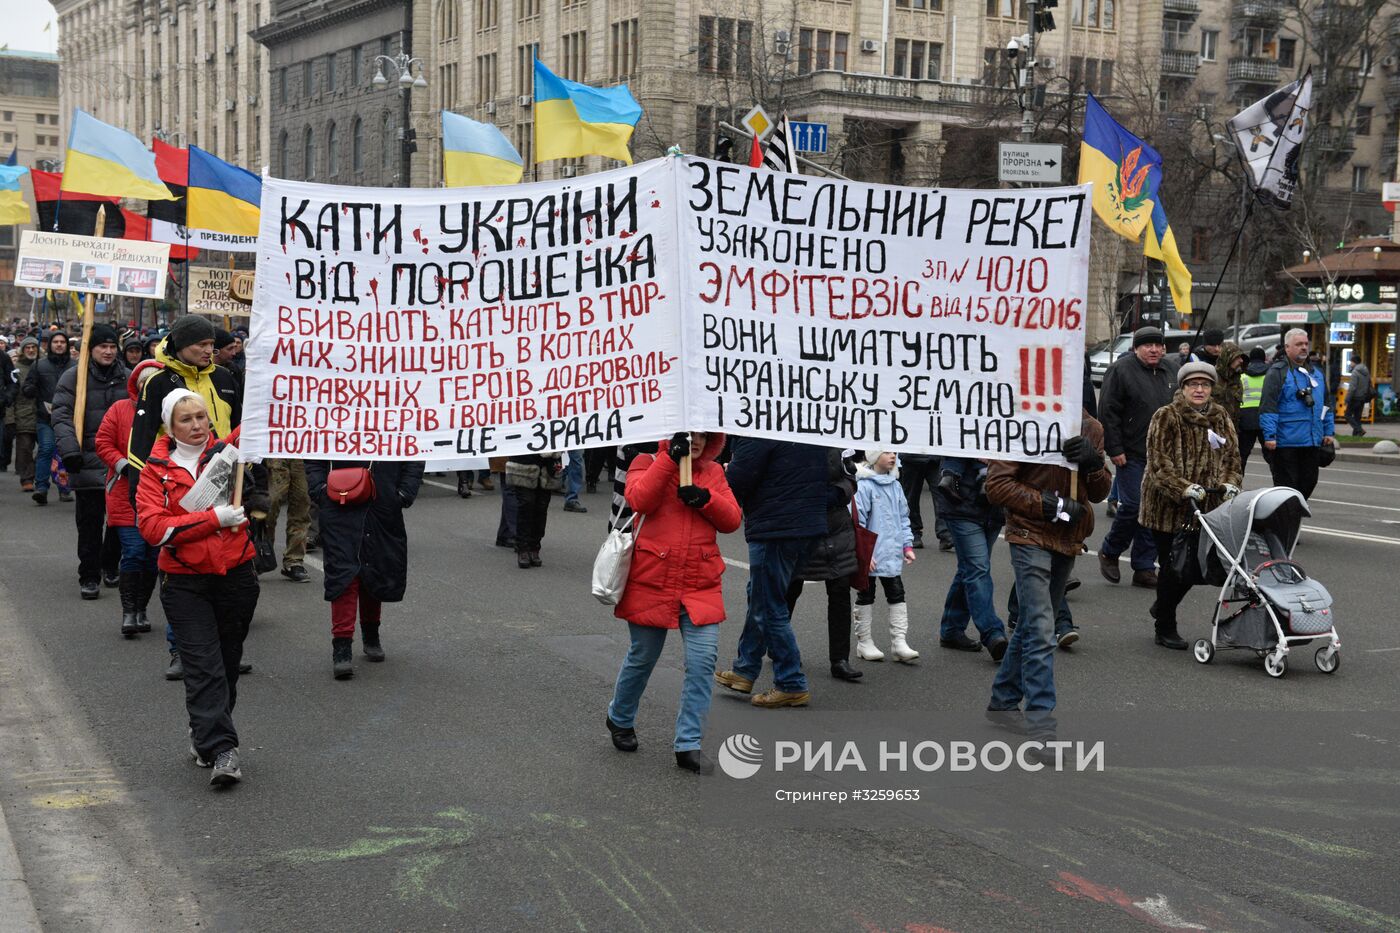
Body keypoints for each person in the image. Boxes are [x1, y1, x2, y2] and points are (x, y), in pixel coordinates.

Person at [136, 390, 258, 787]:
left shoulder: (228, 451)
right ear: (170, 426)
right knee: (203, 666)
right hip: (184, 582)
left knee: (225, 664)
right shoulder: (155, 469)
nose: (196, 425)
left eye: (201, 417)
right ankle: (224, 749)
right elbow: (155, 530)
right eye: (186, 419)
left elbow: (266, 420)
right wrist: (213, 519)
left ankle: (205, 732)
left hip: (236, 575)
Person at [605, 431, 741, 775]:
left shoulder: (713, 472)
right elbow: (639, 499)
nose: (696, 440)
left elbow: (732, 520)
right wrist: (668, 459)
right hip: (653, 580)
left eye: (702, 436)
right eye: (688, 434)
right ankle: (619, 718)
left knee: (701, 662)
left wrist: (705, 498)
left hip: (700, 584)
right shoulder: (645, 461)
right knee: (643, 656)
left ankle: (688, 744)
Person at [985, 421, 1111, 739]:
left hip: (1068, 538)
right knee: (1042, 631)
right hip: (1029, 534)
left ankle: (1002, 701)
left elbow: (1100, 492)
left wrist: (1094, 464)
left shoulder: (1090, 427)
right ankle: (1042, 728)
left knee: (1032, 625)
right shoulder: (1025, 419)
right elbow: (997, 485)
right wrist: (1048, 504)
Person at [715, 439, 827, 708]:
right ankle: (745, 668)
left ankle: (791, 682)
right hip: (806, 522)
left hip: (776, 525)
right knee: (761, 594)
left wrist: (723, 473)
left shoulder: (757, 427)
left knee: (768, 604)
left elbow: (739, 480)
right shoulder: (803, 420)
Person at [1140, 362, 1243, 649]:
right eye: (1193, 384)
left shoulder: (1220, 416)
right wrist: (1182, 488)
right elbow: (1159, 462)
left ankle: (1163, 604)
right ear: (1182, 388)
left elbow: (1232, 456)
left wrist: (1230, 482)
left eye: (1205, 385)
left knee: (1195, 569)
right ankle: (1165, 626)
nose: (1199, 390)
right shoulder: (1166, 416)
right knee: (1173, 567)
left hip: (1206, 508)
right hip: (1168, 508)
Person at [305, 458, 425, 679]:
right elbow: (313, 452)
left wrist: (404, 493)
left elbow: (413, 452)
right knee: (343, 574)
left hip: (383, 502)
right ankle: (341, 646)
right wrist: (319, 489)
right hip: (338, 502)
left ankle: (371, 634)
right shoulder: (329, 422)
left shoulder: (396, 423)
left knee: (375, 567)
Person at [1097, 326, 1178, 589]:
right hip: (1131, 453)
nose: (1154, 349)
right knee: (1133, 507)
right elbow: (1108, 410)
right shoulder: (1121, 370)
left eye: (1158, 345)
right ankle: (1110, 550)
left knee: (1153, 512)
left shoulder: (1170, 370)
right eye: (1148, 345)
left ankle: (1143, 566)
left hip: (1163, 457)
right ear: (1136, 348)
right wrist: (1115, 448)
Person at [52, 324, 128, 600]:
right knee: (90, 524)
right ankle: (89, 575)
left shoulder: (127, 378)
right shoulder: (74, 378)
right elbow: (60, 416)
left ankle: (110, 564)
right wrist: (70, 451)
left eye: (111, 347)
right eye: (102, 347)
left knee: (120, 523)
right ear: (90, 349)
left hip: (119, 464)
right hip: (85, 461)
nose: (108, 352)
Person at [96, 360, 167, 640]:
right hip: (125, 493)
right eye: (143, 382)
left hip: (159, 495)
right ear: (136, 384)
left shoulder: (170, 413)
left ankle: (141, 608)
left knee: (152, 557)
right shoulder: (119, 409)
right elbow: (103, 443)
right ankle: (128, 611)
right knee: (134, 551)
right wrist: (123, 464)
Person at [127, 315, 242, 478]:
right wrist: (137, 490)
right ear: (181, 345)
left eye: (211, 344)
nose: (209, 350)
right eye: (202, 344)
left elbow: (239, 428)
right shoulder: (157, 382)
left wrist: (247, 474)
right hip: (176, 481)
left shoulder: (224, 376)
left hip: (225, 477)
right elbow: (141, 440)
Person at [783, 449, 863, 681]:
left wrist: (836, 494)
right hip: (800, 525)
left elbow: (850, 478)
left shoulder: (837, 439)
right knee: (790, 588)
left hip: (836, 527)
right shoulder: (791, 439)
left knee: (840, 591)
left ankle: (840, 660)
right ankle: (780, 645)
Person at [933, 456, 1009, 660]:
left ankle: (951, 630)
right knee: (978, 569)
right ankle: (992, 632)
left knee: (969, 568)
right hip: (962, 507)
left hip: (994, 508)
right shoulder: (961, 428)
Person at [853, 449, 919, 662]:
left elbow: (903, 518)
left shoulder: (896, 486)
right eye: (887, 452)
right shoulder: (863, 486)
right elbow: (858, 522)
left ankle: (899, 642)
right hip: (871, 555)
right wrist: (864, 553)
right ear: (873, 456)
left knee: (897, 592)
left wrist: (906, 545)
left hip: (891, 553)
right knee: (866, 594)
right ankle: (864, 642)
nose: (893, 456)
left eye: (894, 453)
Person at [1260, 328, 1335, 501]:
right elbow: (1268, 406)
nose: (1304, 347)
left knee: (1309, 482)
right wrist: (1269, 435)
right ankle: (1281, 523)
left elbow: (1326, 405)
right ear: (1287, 347)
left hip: (1311, 441)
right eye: (1298, 344)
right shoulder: (1277, 372)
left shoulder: (1317, 373)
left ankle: (1289, 518)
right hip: (1286, 442)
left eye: (1306, 344)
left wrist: (1328, 431)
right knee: (1286, 489)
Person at [22, 330, 72, 505]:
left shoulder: (75, 366)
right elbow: (26, 388)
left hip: (68, 418)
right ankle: (41, 487)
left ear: (67, 345)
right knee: (46, 449)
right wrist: (30, 388)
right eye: (55, 342)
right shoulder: (39, 365)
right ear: (50, 345)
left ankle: (64, 488)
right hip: (46, 418)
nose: (59, 344)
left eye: (62, 342)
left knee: (66, 452)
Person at [504, 451, 564, 568]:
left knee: (541, 507)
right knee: (526, 504)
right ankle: (523, 548)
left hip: (548, 464)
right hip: (524, 461)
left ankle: (534, 546)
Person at [263, 459, 312, 583]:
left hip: (303, 454)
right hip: (275, 451)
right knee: (269, 506)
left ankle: (294, 561)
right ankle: (262, 554)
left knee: (301, 506)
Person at [898, 453, 951, 550]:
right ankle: (913, 533)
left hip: (933, 457)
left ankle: (945, 533)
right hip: (912, 458)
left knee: (941, 496)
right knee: (911, 498)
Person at [7, 337, 39, 491]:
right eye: (28, 347)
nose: (31, 350)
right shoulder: (15, 369)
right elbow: (11, 394)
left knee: (47, 448)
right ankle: (26, 478)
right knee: (24, 448)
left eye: (34, 347)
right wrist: (10, 418)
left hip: (43, 414)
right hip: (23, 414)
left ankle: (36, 471)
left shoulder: (43, 366)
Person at [1236, 348, 1268, 468]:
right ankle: (1280, 485)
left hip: (1245, 418)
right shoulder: (1270, 374)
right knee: (1272, 457)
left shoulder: (1242, 375)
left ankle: (1237, 483)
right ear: (1264, 358)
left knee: (1242, 456)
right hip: (1265, 417)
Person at [1345, 351, 1373, 437]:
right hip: (1363, 397)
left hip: (1355, 397)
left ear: (1354, 362)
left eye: (1351, 362)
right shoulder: (1366, 371)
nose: (1350, 364)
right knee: (1357, 417)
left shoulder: (1355, 372)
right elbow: (1369, 383)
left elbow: (1352, 388)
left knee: (1347, 415)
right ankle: (1356, 435)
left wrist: (1347, 398)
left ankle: (1359, 430)